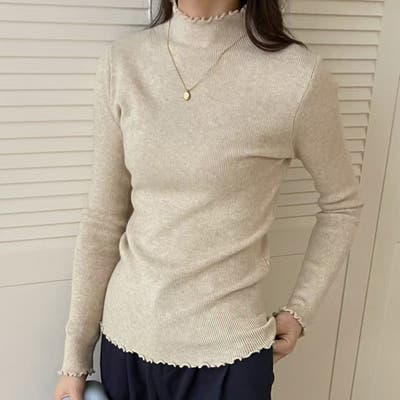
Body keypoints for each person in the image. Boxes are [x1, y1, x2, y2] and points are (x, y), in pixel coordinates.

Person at [54, 0, 364, 399]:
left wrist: (300, 309)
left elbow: (342, 204)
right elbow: (103, 219)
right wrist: (74, 359)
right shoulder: (124, 63)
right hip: (126, 346)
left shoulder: (297, 76)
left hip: (230, 359)